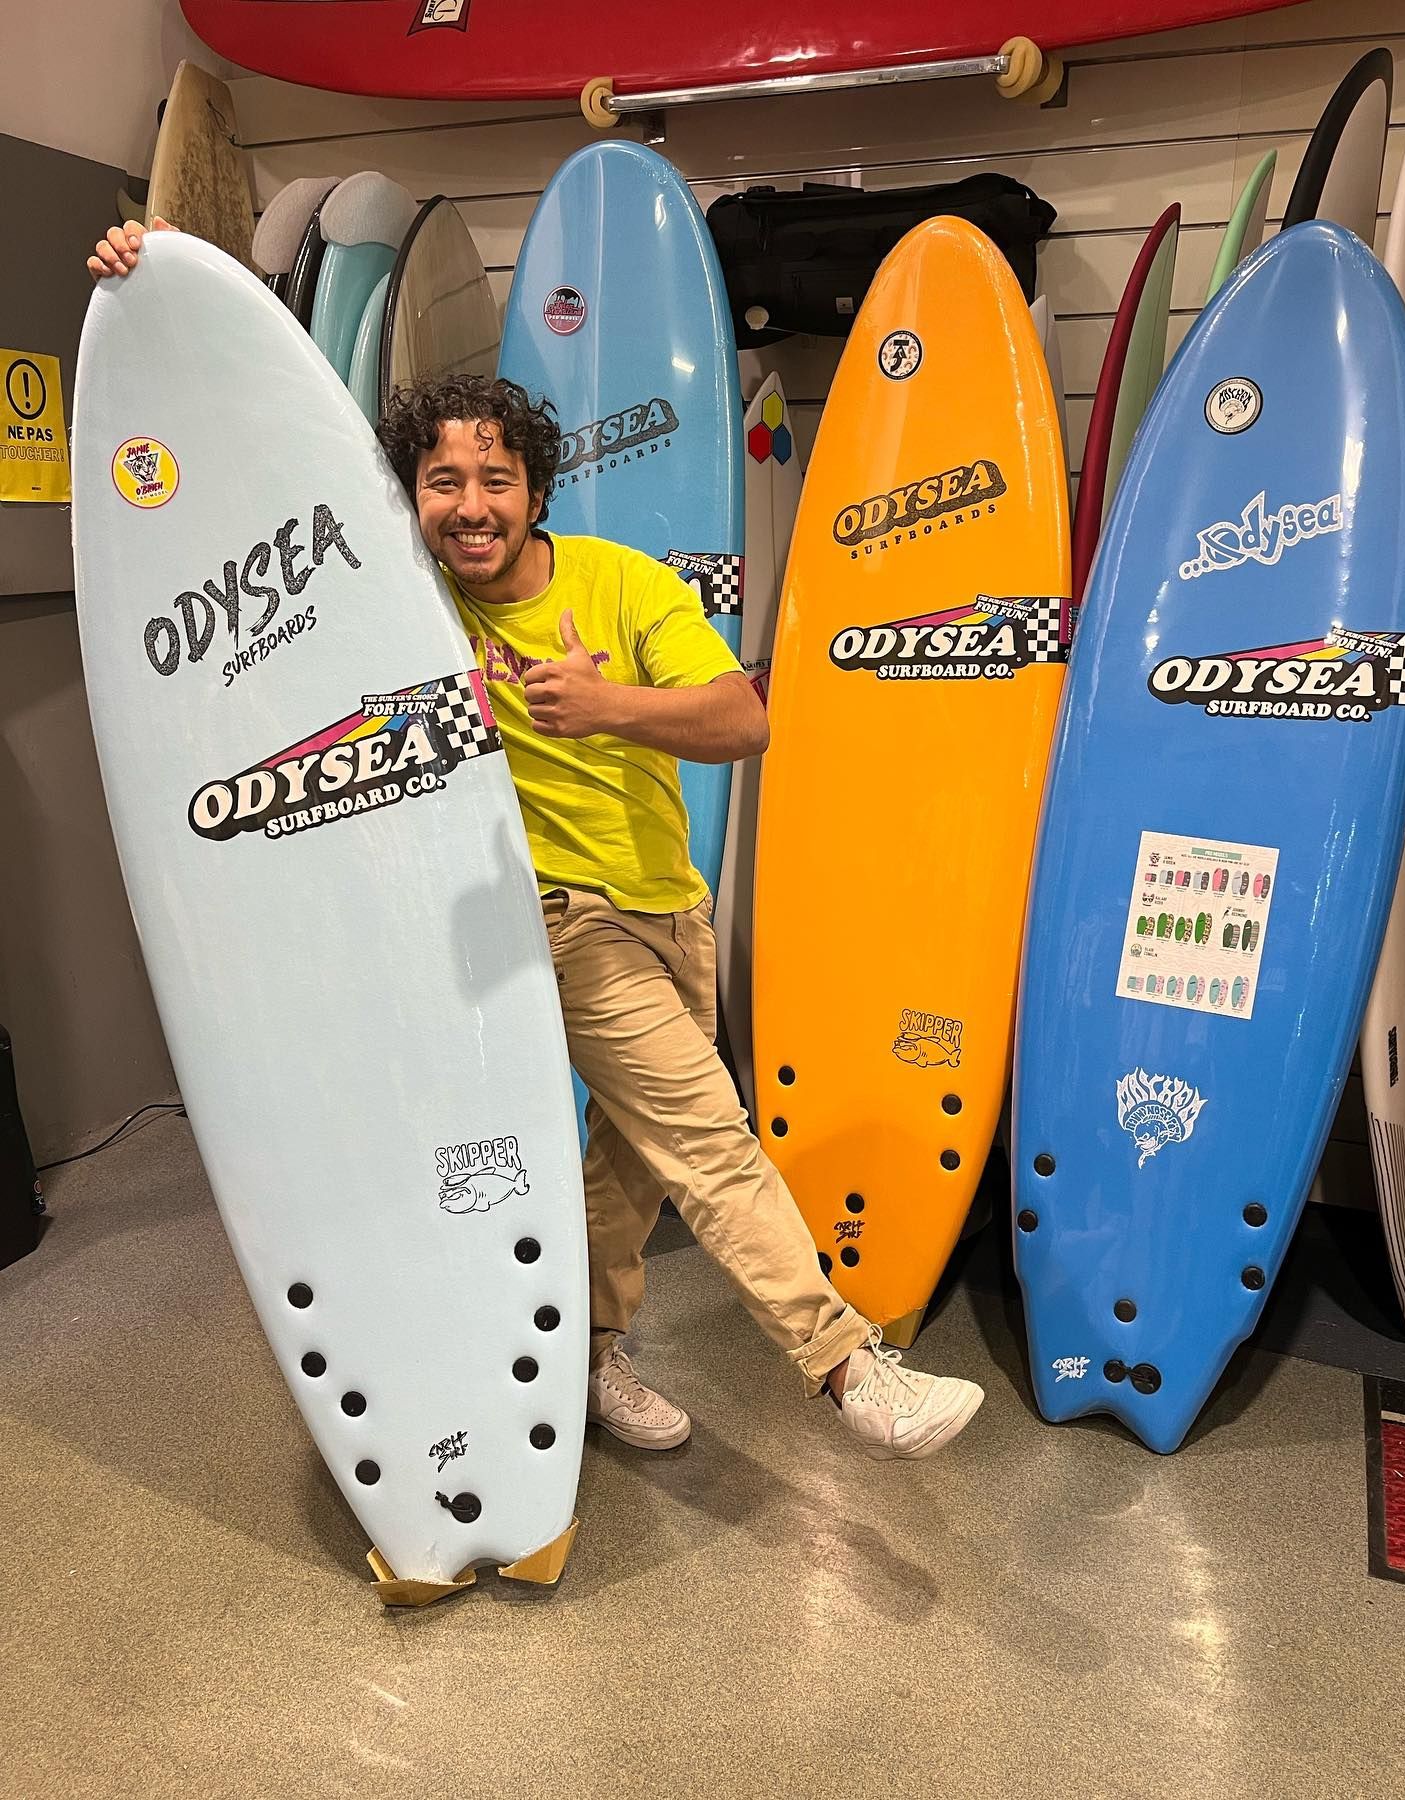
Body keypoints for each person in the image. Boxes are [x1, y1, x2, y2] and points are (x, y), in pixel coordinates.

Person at [90, 220, 985, 1462]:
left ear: (537, 489)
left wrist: (604, 703)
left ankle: (589, 1366)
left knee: (629, 1173)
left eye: (495, 480)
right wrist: (162, 288)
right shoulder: (394, 610)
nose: (469, 508)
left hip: (670, 910)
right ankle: (847, 1368)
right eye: (443, 483)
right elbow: (253, 482)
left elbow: (745, 721)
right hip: (550, 922)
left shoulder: (625, 588)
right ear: (410, 496)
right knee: (711, 1138)